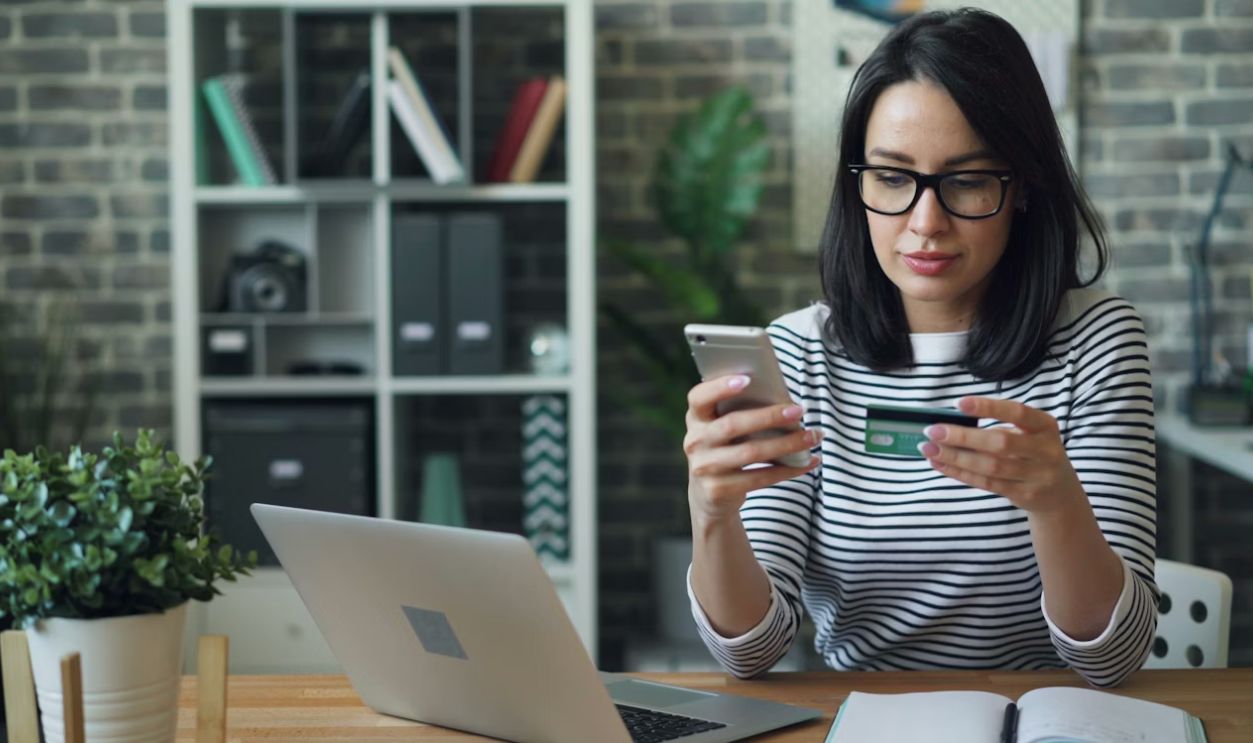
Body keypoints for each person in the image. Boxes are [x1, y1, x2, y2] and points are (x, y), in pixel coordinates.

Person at [682, 8, 1156, 688]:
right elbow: (747, 654)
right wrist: (712, 512)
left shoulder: (1097, 341)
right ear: (857, 184)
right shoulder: (798, 354)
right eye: (893, 178)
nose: (924, 223)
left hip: (1043, 718)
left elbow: (1113, 657)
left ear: (1019, 187)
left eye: (965, 181)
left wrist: (1055, 504)